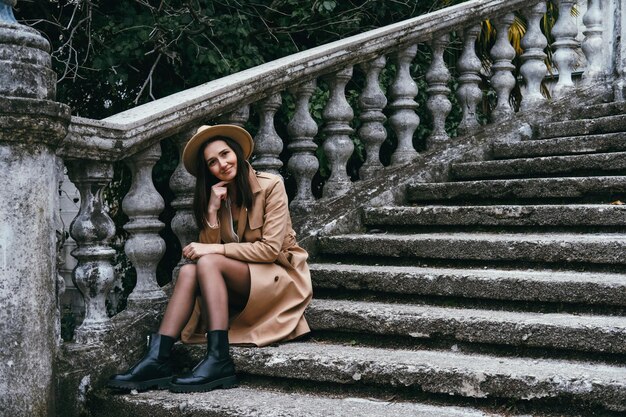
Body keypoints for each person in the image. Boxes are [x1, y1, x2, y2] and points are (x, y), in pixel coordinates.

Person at [108, 124, 313, 393]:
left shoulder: (271, 186)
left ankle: (219, 360)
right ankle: (157, 358)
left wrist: (215, 250)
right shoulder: (219, 196)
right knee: (189, 272)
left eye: (225, 154)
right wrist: (213, 213)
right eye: (213, 162)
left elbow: (269, 251)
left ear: (237, 153)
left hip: (279, 282)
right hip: (245, 285)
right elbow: (205, 261)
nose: (222, 164)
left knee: (207, 261)